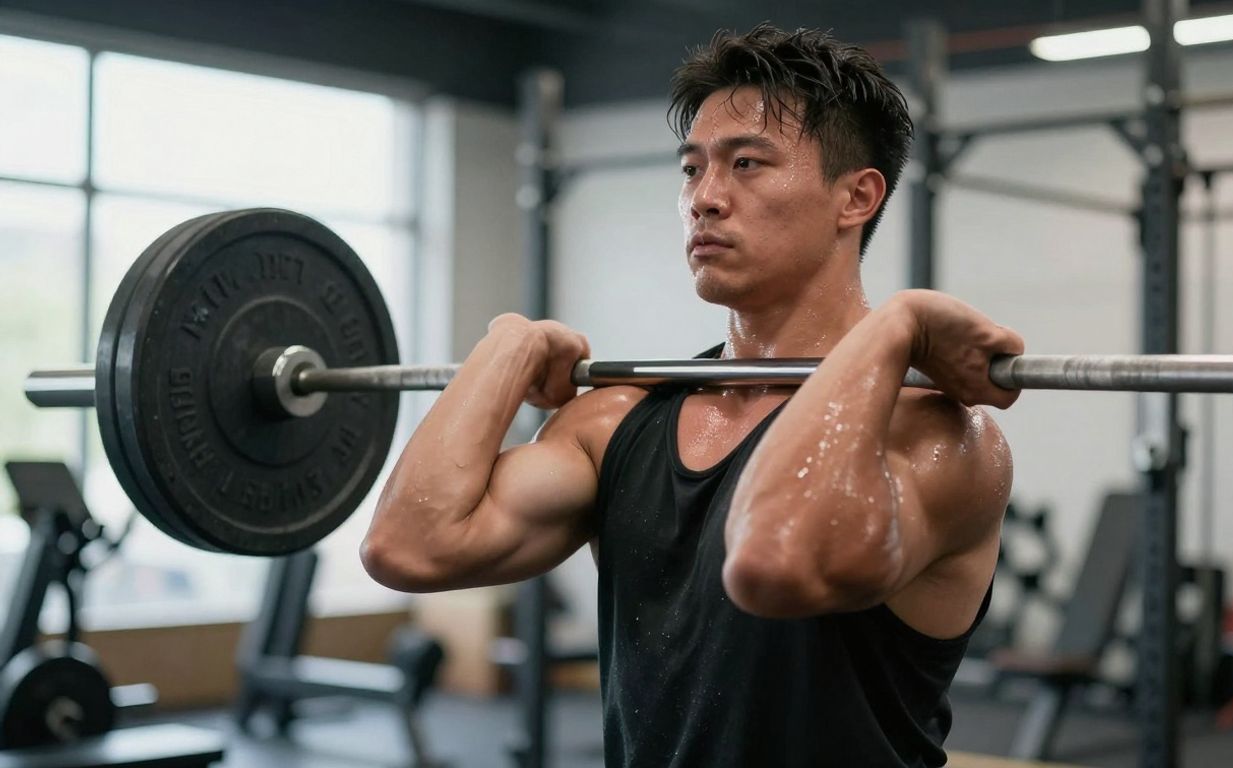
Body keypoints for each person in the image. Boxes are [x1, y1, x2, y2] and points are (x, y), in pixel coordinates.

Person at [363, 23, 1023, 768]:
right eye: (691, 169)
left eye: (747, 164)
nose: (705, 198)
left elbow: (778, 565)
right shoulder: (618, 419)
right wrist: (505, 349)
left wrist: (891, 328)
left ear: (855, 197)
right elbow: (408, 547)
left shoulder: (938, 437)